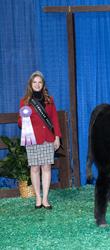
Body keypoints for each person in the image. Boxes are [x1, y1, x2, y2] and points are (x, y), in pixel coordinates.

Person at [18, 71, 61, 209]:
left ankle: (45, 198)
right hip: (33, 138)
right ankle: (38, 197)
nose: (37, 84)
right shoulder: (24, 101)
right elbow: (19, 121)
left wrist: (57, 137)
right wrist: (24, 121)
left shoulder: (50, 99)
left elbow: (54, 119)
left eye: (40, 82)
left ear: (43, 84)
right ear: (31, 84)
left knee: (47, 167)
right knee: (35, 168)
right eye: (34, 82)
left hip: (48, 138)